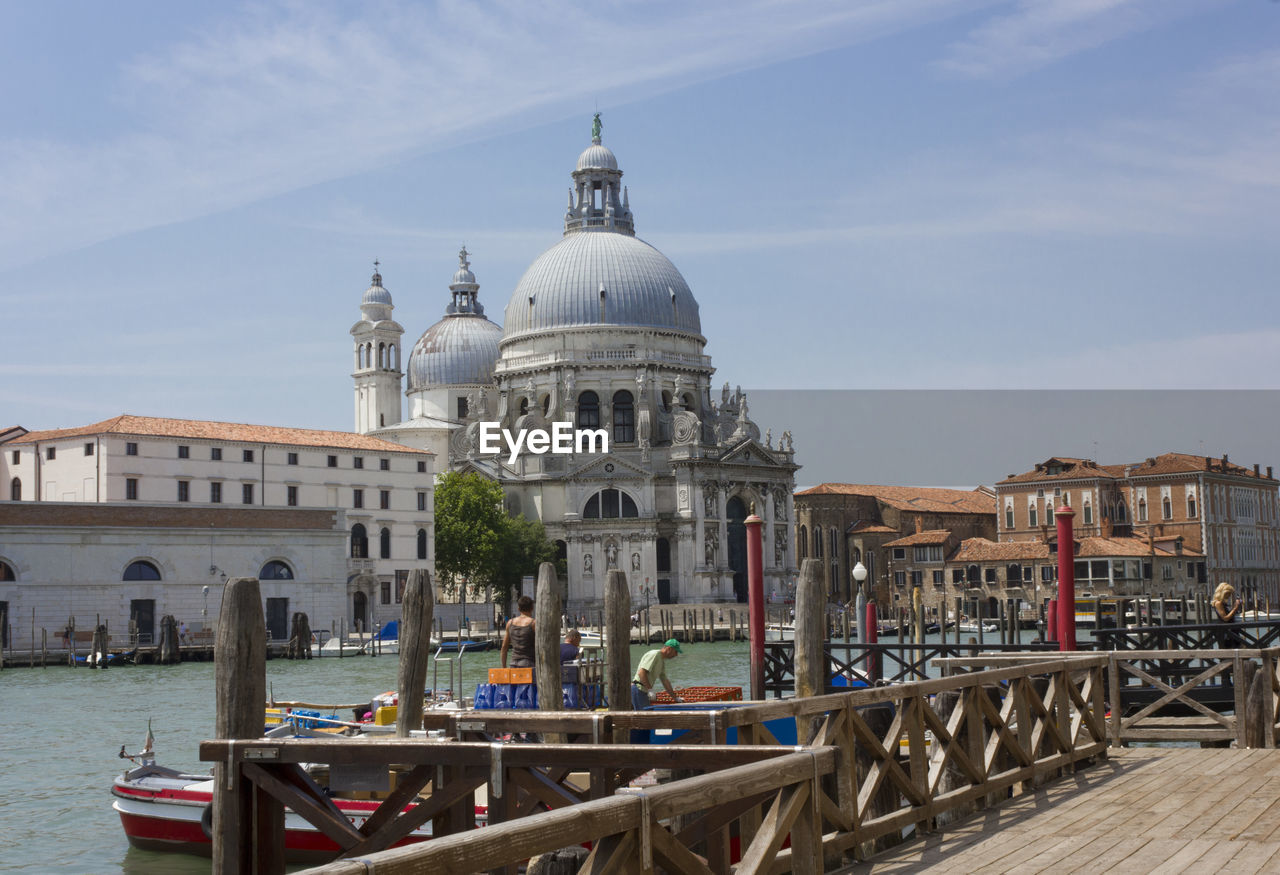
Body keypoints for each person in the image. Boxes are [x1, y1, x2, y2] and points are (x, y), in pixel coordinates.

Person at [632, 639, 683, 708]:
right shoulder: (654, 654)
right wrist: (650, 689)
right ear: (669, 649)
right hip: (638, 689)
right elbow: (641, 672)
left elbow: (665, 681)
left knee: (647, 714)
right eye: (676, 651)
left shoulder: (661, 661)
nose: (676, 655)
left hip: (644, 691)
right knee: (643, 716)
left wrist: (675, 698)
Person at [500, 595, 535, 668]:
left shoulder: (510, 623)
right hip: (529, 663)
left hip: (513, 663)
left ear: (519, 609)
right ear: (532, 608)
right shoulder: (533, 623)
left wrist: (504, 667)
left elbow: (504, 647)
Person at [1212, 581, 1242, 648]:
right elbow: (1225, 618)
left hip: (1231, 631)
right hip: (1225, 632)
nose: (1229, 596)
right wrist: (1235, 608)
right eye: (1228, 593)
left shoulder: (1223, 604)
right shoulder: (1218, 603)